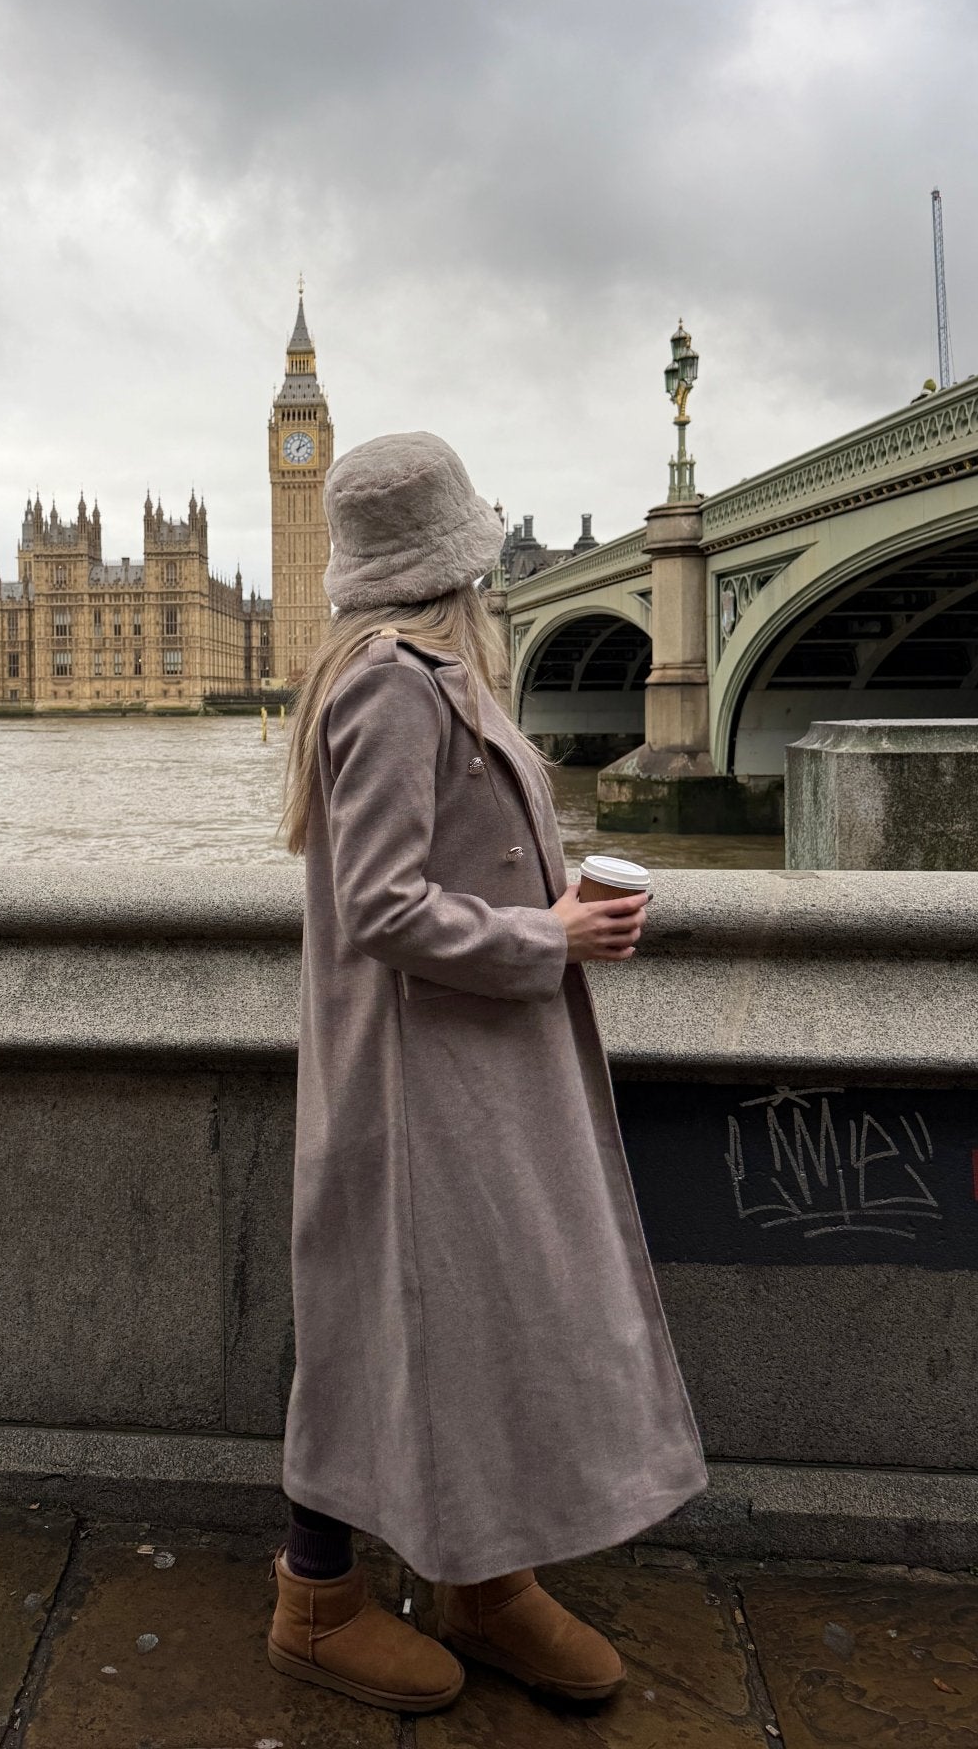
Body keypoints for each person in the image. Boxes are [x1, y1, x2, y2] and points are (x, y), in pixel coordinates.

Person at [267, 432, 707, 1714]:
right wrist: (549, 934)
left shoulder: (425, 676)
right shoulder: (393, 685)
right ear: (457, 566)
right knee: (376, 1317)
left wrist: (551, 905)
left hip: (469, 1061)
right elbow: (384, 906)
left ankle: (486, 1575)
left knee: (487, 1313)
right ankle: (316, 1598)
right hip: (415, 1079)